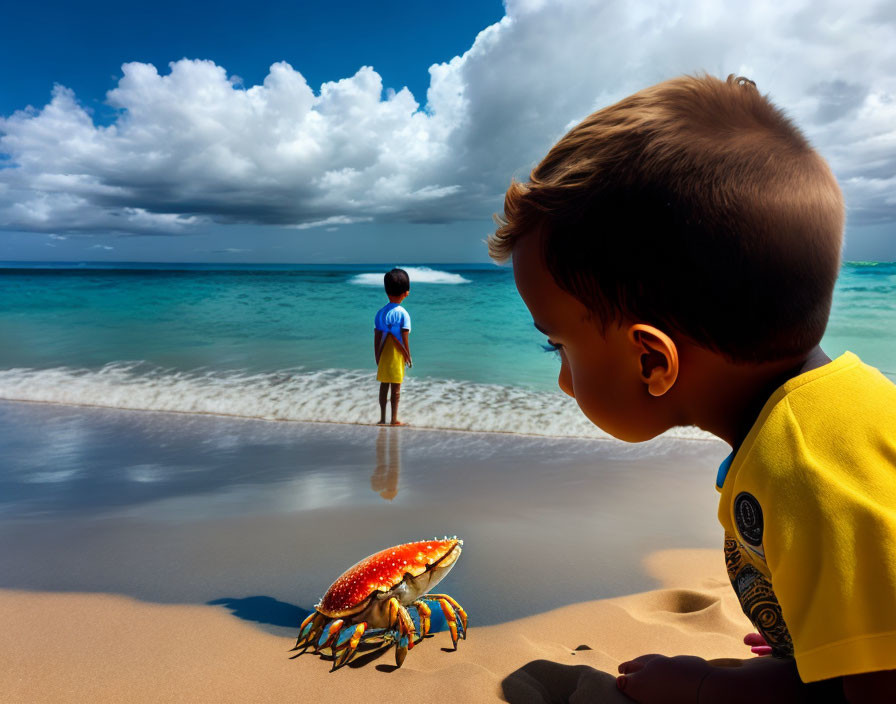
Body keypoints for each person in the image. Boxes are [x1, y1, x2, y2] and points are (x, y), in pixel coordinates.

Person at [489, 74, 896, 702]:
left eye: (558, 345)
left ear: (653, 359)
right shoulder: (834, 411)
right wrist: (816, 630)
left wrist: (708, 686)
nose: (562, 380)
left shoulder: (807, 469)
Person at [374, 268, 412, 426]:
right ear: (406, 292)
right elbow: (404, 336)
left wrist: (377, 355)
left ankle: (382, 419)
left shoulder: (380, 313)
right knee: (396, 388)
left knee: (384, 386)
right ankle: (394, 419)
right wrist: (408, 356)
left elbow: (377, 335)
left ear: (386, 291)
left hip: (384, 353)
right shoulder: (403, 313)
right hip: (397, 355)